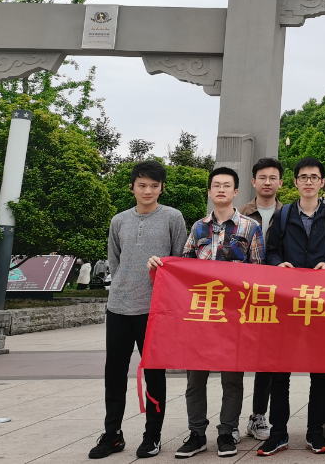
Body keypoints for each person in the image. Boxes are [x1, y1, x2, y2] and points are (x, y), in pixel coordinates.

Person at [89, 161, 187, 460]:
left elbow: (180, 260)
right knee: (114, 373)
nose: (148, 191)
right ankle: (112, 434)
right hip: (119, 306)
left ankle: (152, 435)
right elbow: (115, 261)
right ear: (132, 187)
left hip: (154, 310)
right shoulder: (119, 220)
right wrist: (123, 283)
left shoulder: (173, 217)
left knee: (154, 374)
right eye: (142, 185)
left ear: (162, 188)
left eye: (154, 186)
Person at [258, 157, 325, 457]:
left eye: (314, 177)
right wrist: (279, 264)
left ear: (322, 182)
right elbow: (271, 252)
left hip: (321, 305)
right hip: (288, 304)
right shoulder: (283, 215)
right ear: (295, 182)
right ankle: (278, 433)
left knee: (320, 372)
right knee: (280, 372)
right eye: (303, 177)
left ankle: (315, 432)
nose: (309, 181)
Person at [174, 167, 264, 458]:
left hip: (234, 316)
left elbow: (260, 272)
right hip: (202, 314)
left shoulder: (250, 227)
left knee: (232, 379)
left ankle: (227, 432)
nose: (221, 189)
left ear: (236, 191)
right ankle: (196, 434)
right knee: (195, 380)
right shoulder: (198, 228)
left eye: (227, 185)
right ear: (210, 191)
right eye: (216, 185)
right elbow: (184, 265)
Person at [238, 157, 285, 444]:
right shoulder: (239, 214)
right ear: (253, 181)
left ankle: (258, 415)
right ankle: (228, 421)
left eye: (273, 178)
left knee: (268, 360)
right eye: (262, 177)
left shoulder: (288, 214)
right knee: (236, 358)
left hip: (277, 297)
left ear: (281, 182)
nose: (268, 182)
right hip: (244, 296)